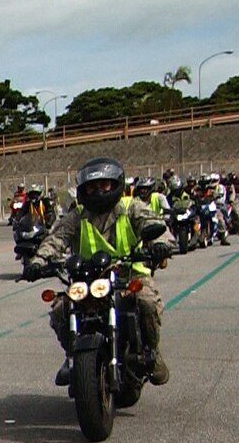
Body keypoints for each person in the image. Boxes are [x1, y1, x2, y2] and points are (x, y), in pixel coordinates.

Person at [29, 156, 177, 388]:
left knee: (146, 301)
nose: (97, 191)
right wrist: (38, 261)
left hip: (129, 276)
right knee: (60, 310)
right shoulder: (77, 215)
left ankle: (152, 353)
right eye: (91, 186)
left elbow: (154, 225)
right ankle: (73, 357)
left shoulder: (132, 207)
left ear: (115, 184)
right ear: (82, 189)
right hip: (88, 281)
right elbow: (57, 239)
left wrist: (161, 243)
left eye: (103, 185)